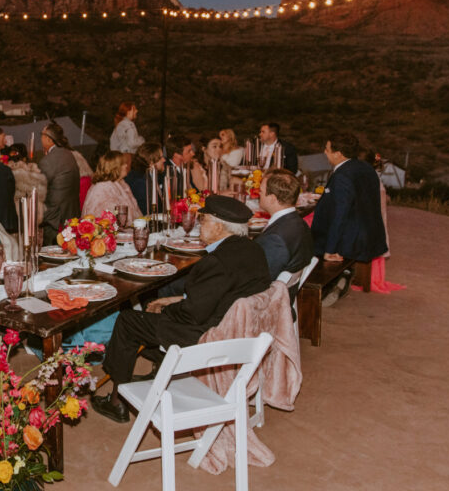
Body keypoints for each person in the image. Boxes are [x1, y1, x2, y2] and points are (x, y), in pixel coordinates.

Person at [93, 195, 270, 423]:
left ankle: (116, 402)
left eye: (203, 220)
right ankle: (158, 372)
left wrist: (165, 311)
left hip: (206, 334)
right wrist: (173, 301)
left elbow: (192, 314)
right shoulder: (252, 249)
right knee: (152, 308)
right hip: (233, 327)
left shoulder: (217, 261)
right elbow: (215, 295)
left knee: (129, 320)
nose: (199, 225)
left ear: (218, 225)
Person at [310, 132, 388, 264]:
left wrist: (330, 249)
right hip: (369, 238)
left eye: (327, 149)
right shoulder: (366, 167)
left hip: (349, 242)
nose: (324, 152)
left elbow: (340, 214)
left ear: (338, 154)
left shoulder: (342, 176)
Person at [255, 169, 314, 302]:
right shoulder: (300, 223)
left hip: (269, 301)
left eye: (261, 192)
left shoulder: (275, 239)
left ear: (272, 199)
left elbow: (259, 280)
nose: (258, 194)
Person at [37, 122, 81, 245]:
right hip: (71, 214)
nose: (40, 138)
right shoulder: (69, 154)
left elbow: (39, 189)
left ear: (48, 139)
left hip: (55, 219)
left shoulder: (48, 161)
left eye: (41, 135)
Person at [83, 151, 142, 220]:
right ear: (115, 167)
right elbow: (105, 219)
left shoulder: (122, 183)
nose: (126, 165)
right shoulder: (102, 188)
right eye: (123, 164)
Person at [4, 143, 47, 232]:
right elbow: (42, 194)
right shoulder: (35, 173)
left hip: (15, 215)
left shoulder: (7, 173)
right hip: (34, 211)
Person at [124, 142, 165, 215]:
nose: (164, 160)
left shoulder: (153, 175)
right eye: (161, 158)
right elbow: (146, 212)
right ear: (151, 162)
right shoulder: (140, 182)